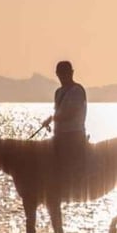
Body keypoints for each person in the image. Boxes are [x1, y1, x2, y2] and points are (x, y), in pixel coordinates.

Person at [41, 60, 89, 196]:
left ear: (71, 73)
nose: (62, 77)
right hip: (59, 136)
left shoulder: (77, 91)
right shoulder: (58, 92)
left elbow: (70, 114)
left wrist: (51, 119)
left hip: (74, 135)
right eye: (60, 74)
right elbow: (59, 112)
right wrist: (52, 120)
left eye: (65, 74)